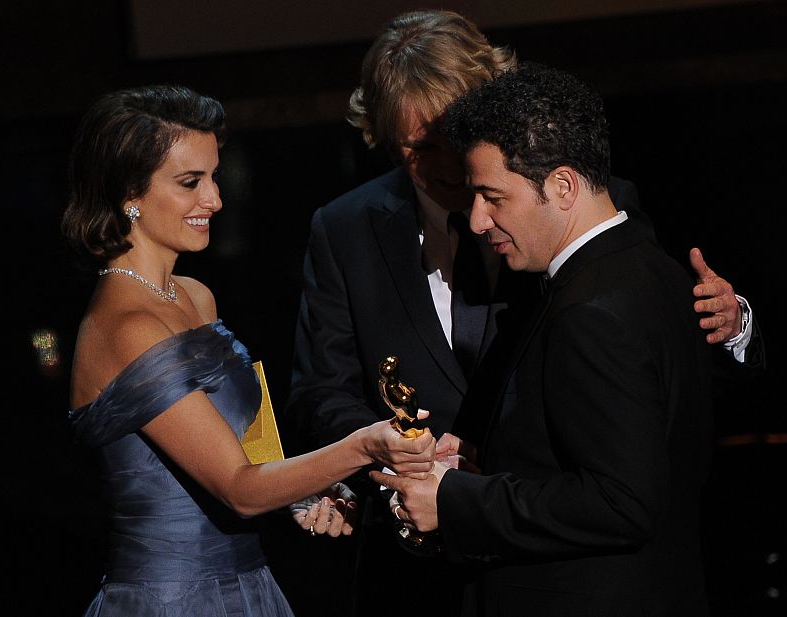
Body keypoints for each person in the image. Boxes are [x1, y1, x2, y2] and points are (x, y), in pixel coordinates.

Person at [283, 9, 759, 617]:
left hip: (556, 569)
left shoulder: (580, 199)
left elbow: (650, 369)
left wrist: (732, 325)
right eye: (422, 149)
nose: (454, 168)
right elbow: (322, 389)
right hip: (416, 572)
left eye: (465, 141)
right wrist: (396, 453)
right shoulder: (343, 229)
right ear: (382, 138)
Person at [61, 84, 435, 617]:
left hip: (249, 583)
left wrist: (304, 492)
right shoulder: (126, 327)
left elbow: (251, 458)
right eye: (191, 183)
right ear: (128, 192)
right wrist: (366, 445)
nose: (214, 199)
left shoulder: (196, 296)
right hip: (170, 600)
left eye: (213, 177)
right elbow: (240, 490)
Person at [375, 61, 716, 617]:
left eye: (494, 197)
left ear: (562, 186)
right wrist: (489, 452)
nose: (478, 220)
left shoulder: (592, 309)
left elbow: (622, 502)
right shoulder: (651, 268)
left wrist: (455, 500)